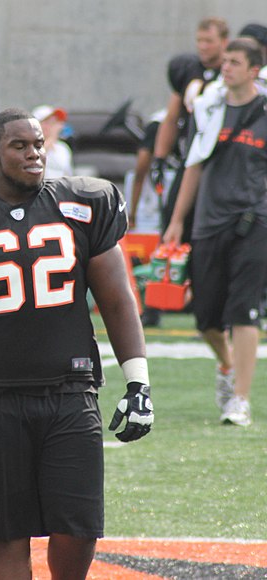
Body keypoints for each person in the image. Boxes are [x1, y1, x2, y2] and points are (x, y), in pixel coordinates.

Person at [0, 108, 154, 579]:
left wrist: (137, 383)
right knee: (5, 532)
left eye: (38, 144)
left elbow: (118, 302)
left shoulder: (84, 204)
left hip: (69, 391)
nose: (34, 154)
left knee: (78, 527)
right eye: (20, 146)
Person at [164, 38, 267, 428]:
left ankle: (240, 398)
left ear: (254, 69)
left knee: (244, 310)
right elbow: (193, 164)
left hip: (254, 222)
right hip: (209, 222)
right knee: (205, 317)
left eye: (235, 62)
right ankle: (225, 364)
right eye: (224, 61)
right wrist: (176, 221)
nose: (225, 68)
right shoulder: (209, 106)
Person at [150, 17, 229, 236]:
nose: (203, 46)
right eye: (199, 40)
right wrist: (159, 157)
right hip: (190, 158)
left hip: (221, 161)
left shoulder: (230, 71)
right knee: (174, 214)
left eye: (209, 41)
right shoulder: (188, 69)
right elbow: (171, 118)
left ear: (224, 41)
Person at [32, 105, 73, 178]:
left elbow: (68, 177)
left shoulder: (63, 148)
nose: (53, 126)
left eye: (55, 122)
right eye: (47, 122)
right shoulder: (30, 147)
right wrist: (51, 139)